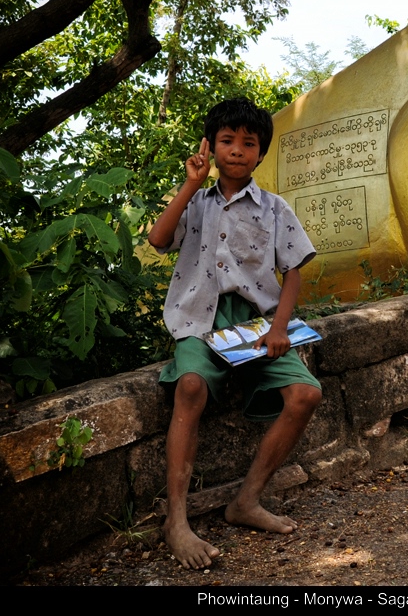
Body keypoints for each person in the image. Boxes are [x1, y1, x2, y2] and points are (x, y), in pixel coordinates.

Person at [147, 98, 322, 569]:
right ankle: (176, 520)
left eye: (249, 143)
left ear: (261, 153)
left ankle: (246, 501)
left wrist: (281, 329)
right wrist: (189, 184)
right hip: (199, 320)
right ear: (211, 146)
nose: (238, 150)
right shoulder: (196, 202)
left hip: (255, 325)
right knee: (189, 387)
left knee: (305, 393)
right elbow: (159, 239)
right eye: (228, 141)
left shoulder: (274, 209)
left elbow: (293, 273)